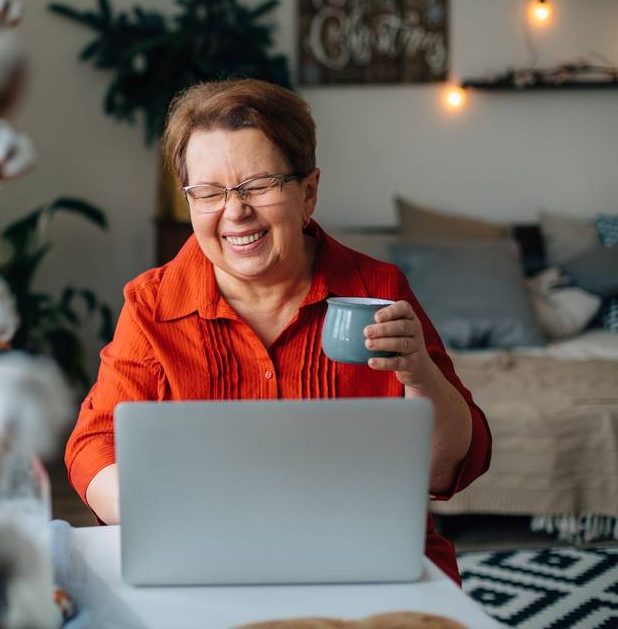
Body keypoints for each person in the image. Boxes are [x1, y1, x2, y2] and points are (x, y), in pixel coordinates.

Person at [64, 78, 491, 584]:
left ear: (308, 193)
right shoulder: (153, 304)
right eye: (209, 192)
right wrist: (171, 520)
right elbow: (94, 445)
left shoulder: (376, 288)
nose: (235, 210)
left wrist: (420, 376)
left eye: (258, 185)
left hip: (368, 560)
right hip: (206, 560)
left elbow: (450, 468)